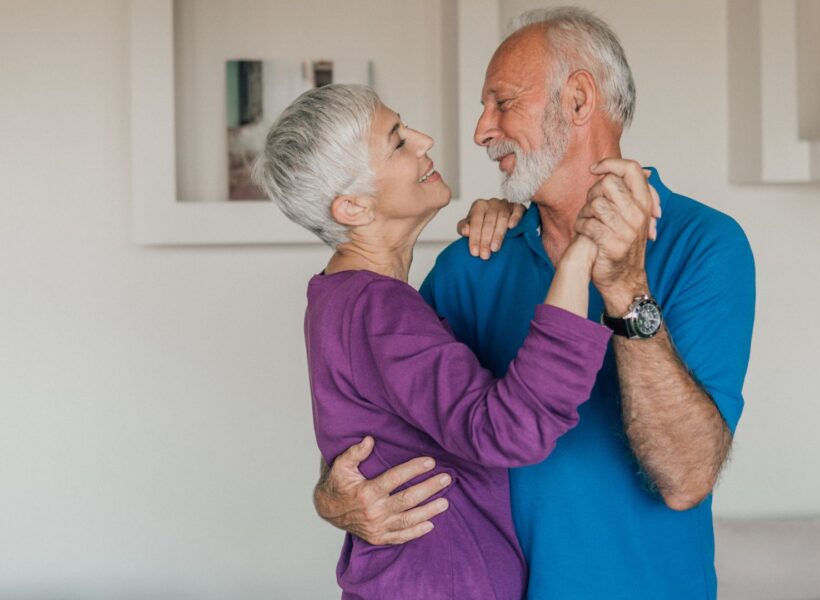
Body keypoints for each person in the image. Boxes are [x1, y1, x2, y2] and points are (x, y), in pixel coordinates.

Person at [314, 7, 756, 599]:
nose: (480, 131)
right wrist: (333, 496)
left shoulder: (706, 244)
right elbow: (389, 419)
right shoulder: (471, 262)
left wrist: (626, 288)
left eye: (501, 102)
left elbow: (686, 480)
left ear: (577, 100)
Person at [253, 83, 637, 598]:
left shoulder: (341, 298)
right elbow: (509, 430)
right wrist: (578, 257)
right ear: (352, 208)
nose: (423, 139)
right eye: (396, 142)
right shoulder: (376, 309)